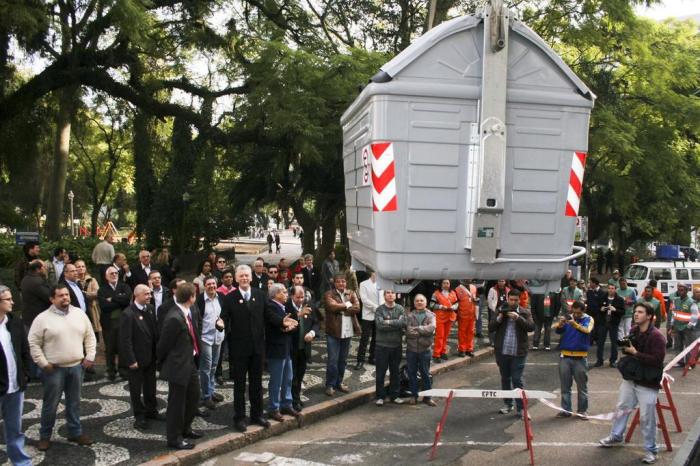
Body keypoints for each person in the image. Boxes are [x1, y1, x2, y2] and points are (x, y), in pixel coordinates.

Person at [28, 284, 96, 451]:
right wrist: (43, 363)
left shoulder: (79, 314)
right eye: (61, 295)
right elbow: (33, 343)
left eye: (66, 295)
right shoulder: (42, 318)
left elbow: (90, 336)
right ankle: (45, 436)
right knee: (50, 405)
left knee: (74, 403)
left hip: (76, 367)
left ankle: (75, 432)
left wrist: (90, 356)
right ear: (52, 299)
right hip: (54, 369)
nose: (65, 298)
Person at [599, 303, 666, 464]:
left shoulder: (657, 337)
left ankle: (651, 450)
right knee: (622, 408)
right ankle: (616, 436)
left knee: (646, 417)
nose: (636, 314)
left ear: (649, 316)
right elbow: (628, 351)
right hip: (631, 378)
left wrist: (635, 352)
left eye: (640, 312)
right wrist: (626, 347)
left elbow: (657, 361)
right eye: (635, 312)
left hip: (648, 382)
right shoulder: (634, 331)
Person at [222, 265, 271, 432]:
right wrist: (219, 324)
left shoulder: (260, 295)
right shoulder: (230, 298)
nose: (244, 278)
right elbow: (223, 318)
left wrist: (283, 322)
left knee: (257, 384)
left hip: (257, 349)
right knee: (239, 385)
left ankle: (257, 415)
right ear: (236, 279)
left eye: (246, 275)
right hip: (239, 350)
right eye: (241, 276)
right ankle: (239, 418)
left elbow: (269, 315)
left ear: (251, 278)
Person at [157, 283, 202, 450]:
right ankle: (174, 438)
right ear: (191, 297)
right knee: (177, 404)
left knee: (194, 396)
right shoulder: (174, 318)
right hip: (178, 366)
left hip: (190, 363)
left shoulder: (189, 312)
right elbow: (163, 345)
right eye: (194, 295)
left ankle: (186, 428)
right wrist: (163, 364)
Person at [120, 284, 163, 429]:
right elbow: (125, 340)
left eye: (150, 294)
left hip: (150, 356)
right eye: (146, 294)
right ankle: (139, 416)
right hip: (136, 360)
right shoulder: (128, 314)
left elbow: (154, 331)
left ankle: (152, 410)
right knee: (136, 389)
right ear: (136, 295)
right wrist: (131, 360)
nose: (149, 296)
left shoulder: (150, 309)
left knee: (151, 386)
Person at [488, 289, 535, 418]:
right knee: (505, 378)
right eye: (511, 299)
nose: (513, 302)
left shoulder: (525, 312)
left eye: (515, 300)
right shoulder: (501, 310)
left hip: (518, 352)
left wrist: (518, 318)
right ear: (507, 299)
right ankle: (508, 404)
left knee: (517, 379)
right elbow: (491, 327)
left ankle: (522, 409)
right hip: (502, 352)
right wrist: (499, 318)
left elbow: (531, 327)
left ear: (519, 300)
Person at [0, 285, 32, 466]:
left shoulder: (15, 322)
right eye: (7, 299)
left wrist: (25, 374)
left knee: (15, 429)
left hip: (16, 384)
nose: (12, 302)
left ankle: (21, 462)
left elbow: (23, 351)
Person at [265, 284, 300, 421]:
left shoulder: (283, 307)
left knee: (288, 378)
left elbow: (293, 325)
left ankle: (286, 403)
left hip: (286, 349)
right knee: (276, 381)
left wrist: (289, 327)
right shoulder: (270, 306)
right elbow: (275, 321)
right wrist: (284, 324)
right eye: (284, 292)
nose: (286, 294)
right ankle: (273, 408)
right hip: (276, 350)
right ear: (276, 294)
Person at [323, 273, 360, 396]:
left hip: (347, 331)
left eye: (343, 281)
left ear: (346, 282)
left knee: (343, 360)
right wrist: (347, 305)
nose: (341, 284)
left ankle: (339, 382)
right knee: (332, 360)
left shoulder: (351, 293)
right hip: (333, 332)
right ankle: (330, 385)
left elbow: (357, 308)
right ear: (335, 283)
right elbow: (332, 307)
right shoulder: (329, 294)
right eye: (339, 281)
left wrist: (342, 309)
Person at [555, 301, 593, 417]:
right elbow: (558, 331)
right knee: (565, 386)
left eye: (578, 313)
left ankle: (582, 410)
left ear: (583, 311)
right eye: (574, 312)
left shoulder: (588, 319)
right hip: (565, 356)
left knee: (582, 387)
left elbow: (587, 330)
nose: (575, 315)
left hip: (580, 357)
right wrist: (561, 324)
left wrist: (575, 324)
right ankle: (566, 410)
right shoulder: (568, 318)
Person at [195, 277, 225, 410]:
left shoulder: (222, 297)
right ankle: (206, 396)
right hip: (205, 338)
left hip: (218, 336)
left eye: (213, 283)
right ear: (204, 286)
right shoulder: (200, 300)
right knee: (205, 368)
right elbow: (196, 319)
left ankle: (211, 391)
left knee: (214, 366)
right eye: (209, 284)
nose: (211, 286)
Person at [98, 266, 133, 380]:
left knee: (123, 346)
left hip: (123, 321)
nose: (114, 275)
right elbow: (104, 306)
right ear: (106, 276)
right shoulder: (102, 289)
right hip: (109, 322)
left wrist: (112, 299)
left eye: (116, 273)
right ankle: (111, 370)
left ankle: (123, 370)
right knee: (110, 347)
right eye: (111, 273)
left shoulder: (124, 286)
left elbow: (127, 300)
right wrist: (119, 299)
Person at [289, 285, 320, 412]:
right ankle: (289, 399)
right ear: (292, 296)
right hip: (290, 348)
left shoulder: (309, 306)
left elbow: (316, 323)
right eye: (298, 297)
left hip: (304, 348)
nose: (300, 300)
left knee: (300, 375)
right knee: (291, 376)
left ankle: (296, 398)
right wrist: (298, 314)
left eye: (302, 297)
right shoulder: (287, 306)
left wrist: (312, 333)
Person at [374, 289, 405, 406]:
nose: (390, 294)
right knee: (380, 372)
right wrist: (395, 322)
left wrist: (387, 322)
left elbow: (402, 323)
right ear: (384, 295)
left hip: (396, 345)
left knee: (395, 372)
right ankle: (380, 396)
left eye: (392, 292)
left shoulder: (400, 309)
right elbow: (379, 325)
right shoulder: (379, 309)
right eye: (388, 293)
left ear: (395, 295)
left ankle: (394, 395)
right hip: (382, 346)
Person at [405, 294, 437, 406]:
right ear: (414, 303)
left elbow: (432, 328)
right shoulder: (409, 316)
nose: (419, 302)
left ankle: (427, 397)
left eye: (421, 300)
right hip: (411, 349)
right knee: (412, 373)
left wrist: (417, 329)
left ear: (426, 302)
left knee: (425, 374)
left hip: (425, 349)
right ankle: (414, 396)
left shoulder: (431, 315)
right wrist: (423, 330)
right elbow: (408, 332)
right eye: (417, 300)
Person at [356, 271, 383, 370]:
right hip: (368, 314)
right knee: (364, 338)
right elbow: (364, 299)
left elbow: (383, 298)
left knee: (376, 338)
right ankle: (360, 360)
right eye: (375, 272)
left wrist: (381, 308)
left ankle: (372, 357)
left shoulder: (382, 283)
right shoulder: (363, 284)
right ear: (372, 272)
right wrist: (376, 307)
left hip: (379, 315)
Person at [668, 283, 698, 368]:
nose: (680, 291)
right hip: (677, 327)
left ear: (686, 291)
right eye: (679, 290)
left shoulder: (691, 302)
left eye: (682, 290)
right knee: (677, 346)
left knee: (689, 347)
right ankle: (679, 362)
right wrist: (672, 325)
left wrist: (689, 326)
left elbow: (695, 316)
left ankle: (689, 363)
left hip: (687, 328)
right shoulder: (676, 300)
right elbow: (674, 313)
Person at [596, 283, 625, 368]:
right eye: (609, 288)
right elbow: (597, 308)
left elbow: (623, 312)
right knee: (600, 342)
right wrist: (600, 309)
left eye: (612, 288)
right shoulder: (602, 298)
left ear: (615, 290)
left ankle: (613, 361)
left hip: (613, 324)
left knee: (614, 343)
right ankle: (599, 360)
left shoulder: (619, 299)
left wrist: (615, 310)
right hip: (603, 323)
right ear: (607, 289)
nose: (611, 290)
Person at [430, 279, 458, 363]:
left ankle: (443, 352)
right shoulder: (436, 293)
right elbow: (431, 304)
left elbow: (457, 303)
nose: (446, 285)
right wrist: (441, 307)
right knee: (440, 336)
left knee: (446, 336)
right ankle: (436, 354)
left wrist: (454, 307)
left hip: (450, 317)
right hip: (440, 317)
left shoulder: (453, 293)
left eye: (447, 283)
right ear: (441, 284)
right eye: (444, 283)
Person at [455, 279, 478, 357]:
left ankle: (469, 349)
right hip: (462, 313)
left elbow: (475, 298)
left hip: (472, 313)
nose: (468, 278)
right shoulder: (457, 289)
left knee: (471, 332)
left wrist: (476, 300)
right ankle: (462, 349)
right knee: (462, 333)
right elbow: (456, 303)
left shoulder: (474, 287)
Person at [487, 279, 509, 347]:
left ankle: (501, 340)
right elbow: (489, 300)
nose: (501, 282)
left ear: (505, 282)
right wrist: (494, 309)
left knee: (503, 326)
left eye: (502, 281)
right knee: (493, 325)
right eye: (499, 281)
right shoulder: (492, 289)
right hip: (495, 310)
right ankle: (492, 341)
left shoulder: (508, 289)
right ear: (497, 281)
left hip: (504, 310)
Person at [586, 277, 606, 345]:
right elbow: (588, 302)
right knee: (590, 326)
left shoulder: (602, 292)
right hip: (590, 312)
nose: (589, 284)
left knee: (598, 327)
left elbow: (602, 303)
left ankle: (598, 340)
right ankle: (590, 340)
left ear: (594, 283)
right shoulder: (589, 292)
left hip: (598, 313)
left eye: (590, 282)